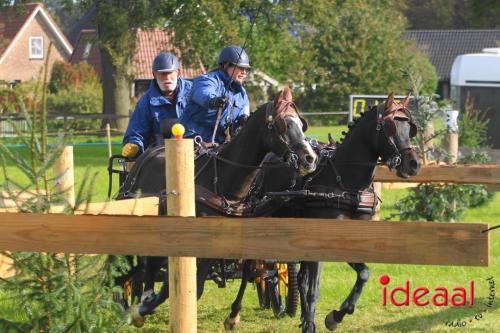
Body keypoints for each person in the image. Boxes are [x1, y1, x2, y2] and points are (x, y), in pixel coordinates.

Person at [121, 52, 192, 157]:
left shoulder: (195, 93)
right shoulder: (145, 102)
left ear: (178, 72)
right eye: (163, 74)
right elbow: (136, 132)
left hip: (194, 150)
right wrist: (134, 145)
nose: (167, 77)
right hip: (161, 155)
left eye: (170, 73)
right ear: (154, 74)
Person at [180, 45, 250, 144]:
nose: (244, 72)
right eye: (239, 67)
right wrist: (213, 101)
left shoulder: (241, 94)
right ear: (225, 65)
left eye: (245, 69)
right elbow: (202, 92)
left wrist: (244, 120)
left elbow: (243, 115)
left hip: (218, 144)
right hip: (191, 138)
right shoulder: (207, 79)